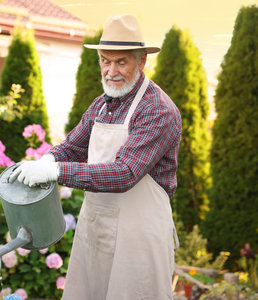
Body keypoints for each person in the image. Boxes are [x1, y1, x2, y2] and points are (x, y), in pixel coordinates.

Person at [9, 14, 182, 299]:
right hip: (96, 229)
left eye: (121, 62)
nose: (111, 71)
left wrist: (57, 173)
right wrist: (47, 160)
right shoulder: (101, 105)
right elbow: (72, 146)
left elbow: (124, 172)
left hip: (138, 237)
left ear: (141, 62)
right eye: (105, 60)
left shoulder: (157, 109)